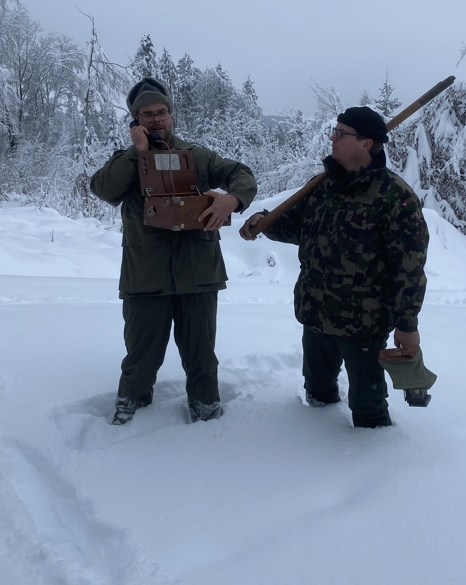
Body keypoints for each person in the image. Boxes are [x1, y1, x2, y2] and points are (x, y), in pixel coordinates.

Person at [240, 106, 428, 428]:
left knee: (368, 408)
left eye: (341, 134)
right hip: (315, 313)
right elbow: (299, 225)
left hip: (362, 323)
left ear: (366, 144)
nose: (332, 138)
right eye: (334, 131)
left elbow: (408, 268)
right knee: (317, 392)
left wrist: (407, 323)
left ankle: (376, 466)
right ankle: (317, 440)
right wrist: (264, 222)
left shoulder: (395, 198)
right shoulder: (323, 186)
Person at [90, 77, 258, 425]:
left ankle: (205, 404)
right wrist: (137, 153)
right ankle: (131, 398)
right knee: (142, 350)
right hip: (146, 273)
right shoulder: (127, 161)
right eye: (147, 114)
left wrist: (232, 199)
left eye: (162, 112)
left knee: (200, 351)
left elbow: (241, 174)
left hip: (197, 271)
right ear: (135, 120)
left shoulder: (196, 156)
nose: (156, 119)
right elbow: (104, 189)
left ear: (171, 114)